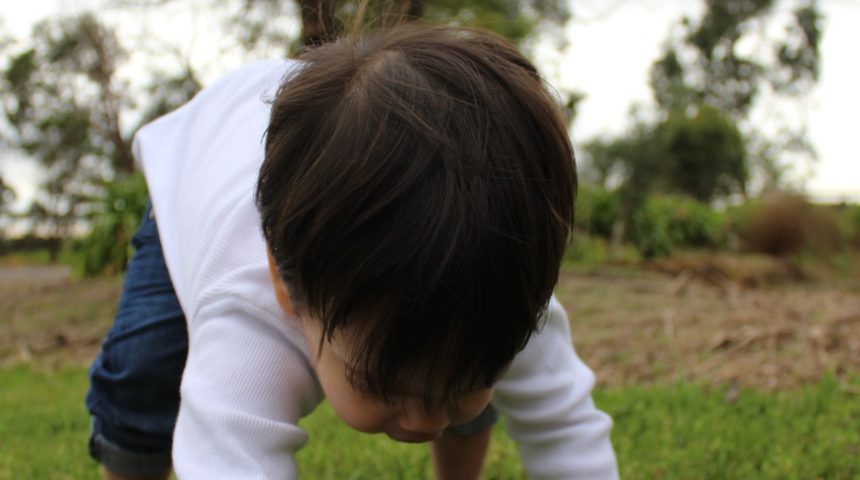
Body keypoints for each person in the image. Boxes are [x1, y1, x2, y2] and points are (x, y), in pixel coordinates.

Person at [86, 23, 618, 479]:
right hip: (189, 186)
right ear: (283, 281)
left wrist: (454, 378)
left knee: (447, 368)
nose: (423, 422)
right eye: (379, 381)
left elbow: (566, 429)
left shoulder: (503, 287)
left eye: (473, 379)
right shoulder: (245, 318)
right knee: (142, 375)